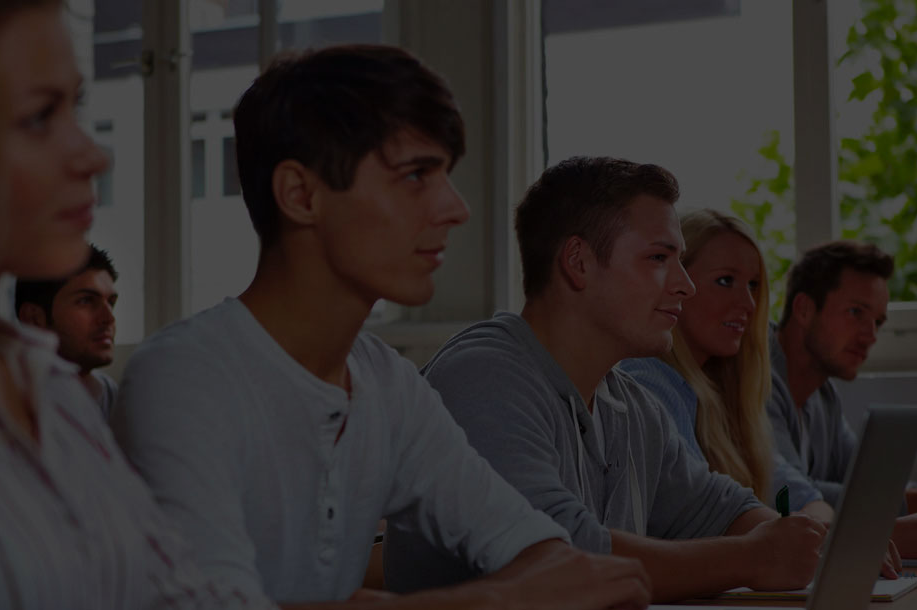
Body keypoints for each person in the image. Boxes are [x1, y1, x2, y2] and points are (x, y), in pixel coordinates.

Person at [112, 45, 652, 609]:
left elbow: (539, 548)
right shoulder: (183, 379)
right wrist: (498, 600)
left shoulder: (385, 383)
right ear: (301, 194)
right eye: (416, 174)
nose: (455, 207)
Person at [0, 1, 266, 607]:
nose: (93, 156)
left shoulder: (52, 391)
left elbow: (182, 597)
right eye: (40, 117)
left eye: (75, 108)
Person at [384, 158, 863, 604]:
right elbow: (560, 555)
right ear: (578, 262)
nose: (684, 285)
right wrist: (754, 558)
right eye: (659, 258)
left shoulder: (630, 404)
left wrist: (801, 544)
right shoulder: (485, 375)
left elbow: (719, 507)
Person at [769, 240, 917, 559]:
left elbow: (862, 476)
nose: (870, 335)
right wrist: (916, 501)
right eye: (856, 312)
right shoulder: (752, 379)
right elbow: (787, 491)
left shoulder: (824, 394)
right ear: (803, 309)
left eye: (878, 322)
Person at [620, 209, 835, 522]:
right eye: (725, 281)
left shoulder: (728, 395)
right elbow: (704, 518)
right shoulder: (649, 382)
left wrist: (823, 534)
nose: (748, 304)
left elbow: (807, 499)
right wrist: (817, 539)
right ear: (677, 284)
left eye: (753, 285)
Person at [16, 244, 119, 419]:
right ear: (34, 318)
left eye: (111, 302)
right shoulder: (10, 400)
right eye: (86, 301)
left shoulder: (111, 394)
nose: (109, 318)